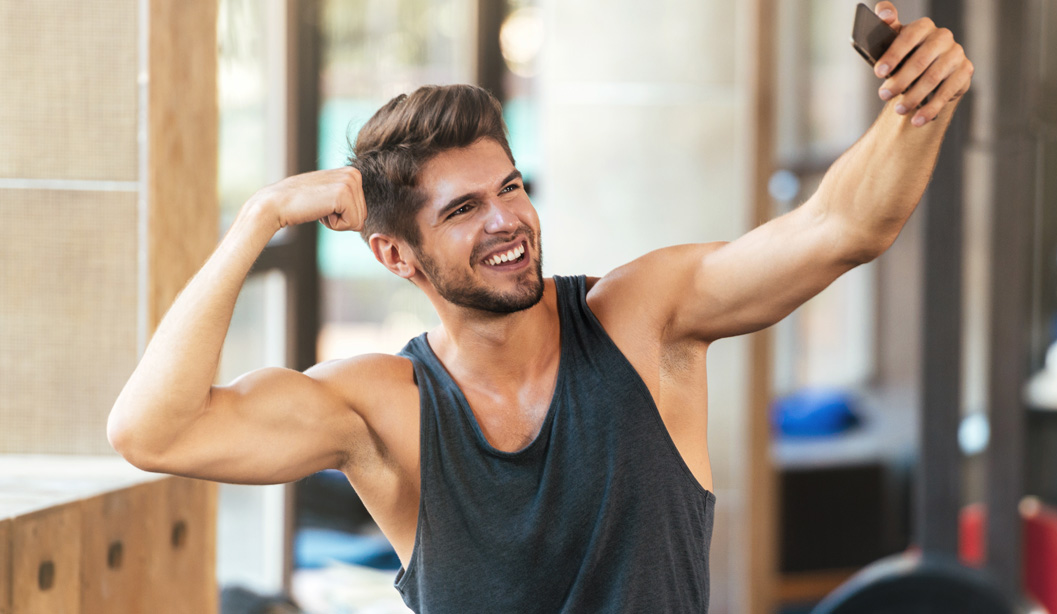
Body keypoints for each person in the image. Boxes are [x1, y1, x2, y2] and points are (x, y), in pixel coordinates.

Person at [108, 3, 973, 612]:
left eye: (510, 187)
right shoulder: (380, 409)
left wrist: (916, 107)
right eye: (462, 209)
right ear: (395, 256)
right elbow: (153, 433)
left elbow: (839, 229)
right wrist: (258, 219)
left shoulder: (643, 318)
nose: (505, 222)